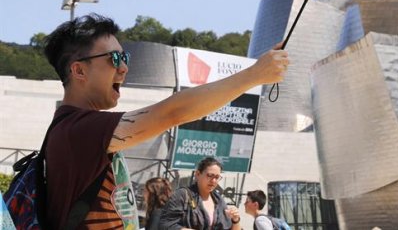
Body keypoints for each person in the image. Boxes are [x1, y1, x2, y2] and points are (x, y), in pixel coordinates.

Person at [42, 14, 288, 229]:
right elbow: (173, 112)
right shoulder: (79, 128)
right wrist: (255, 75)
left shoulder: (70, 128)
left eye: (124, 56)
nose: (124, 67)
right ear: (79, 71)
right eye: (114, 59)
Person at [159, 157, 240, 229]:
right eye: (210, 175)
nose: (214, 181)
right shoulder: (182, 195)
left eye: (217, 177)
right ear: (197, 174)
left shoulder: (219, 200)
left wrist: (235, 220)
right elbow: (166, 225)